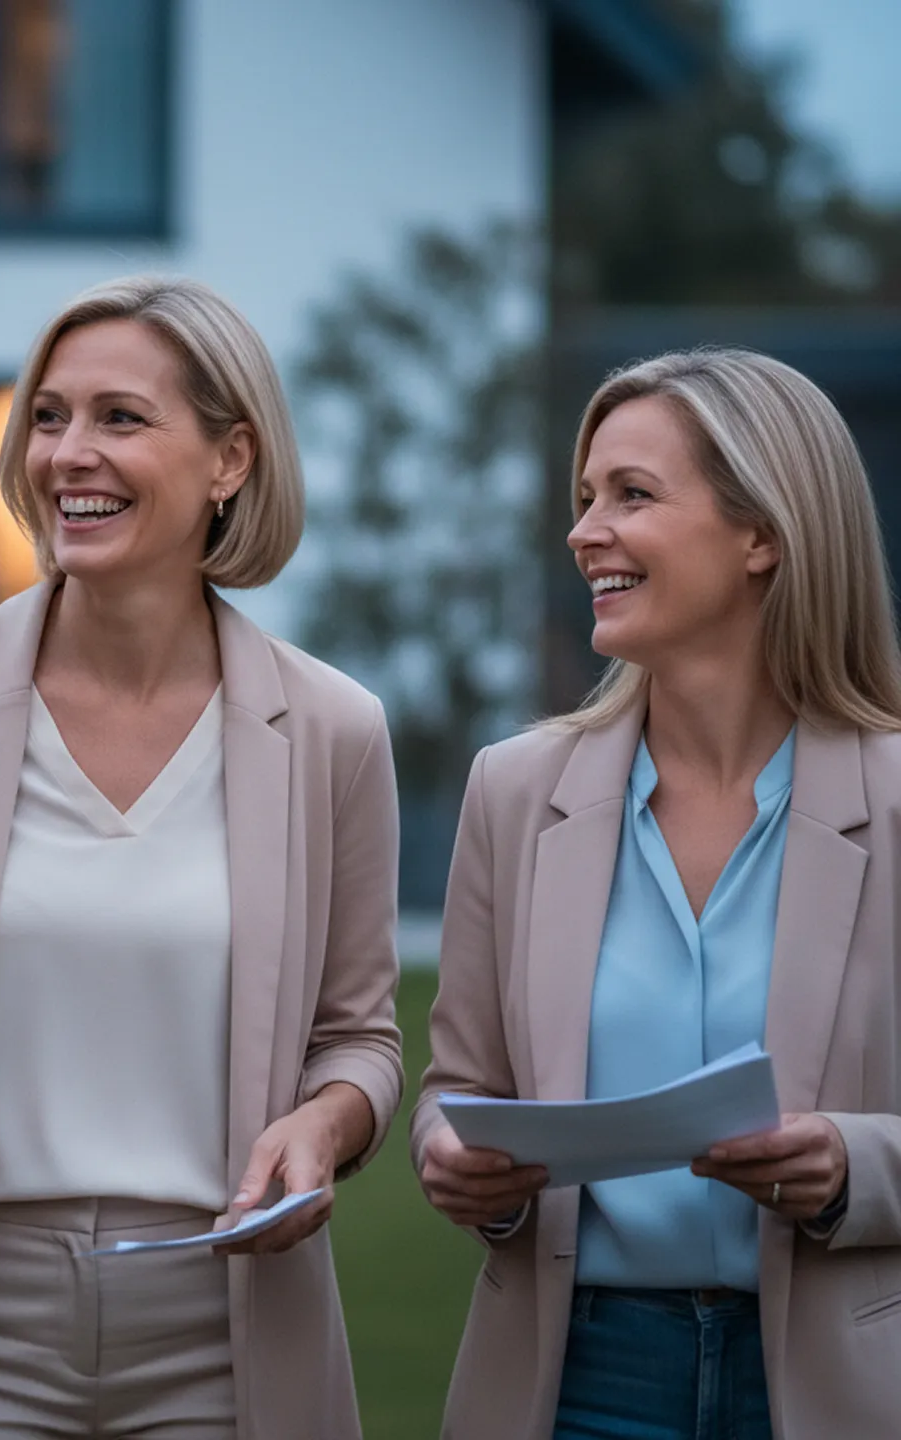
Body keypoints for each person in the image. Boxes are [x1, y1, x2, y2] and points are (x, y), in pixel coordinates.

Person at [0, 275, 403, 1439]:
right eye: (47, 416)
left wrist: (324, 1129)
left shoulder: (334, 730)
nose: (66, 455)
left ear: (229, 459)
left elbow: (363, 1037)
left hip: (227, 1331)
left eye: (119, 419)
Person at [412, 347, 901, 1439]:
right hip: (575, 1379)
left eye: (630, 495)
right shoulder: (514, 791)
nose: (584, 530)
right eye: (583, 498)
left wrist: (849, 1166)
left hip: (838, 1386)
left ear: (760, 535)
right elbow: (456, 1087)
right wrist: (453, 1163)